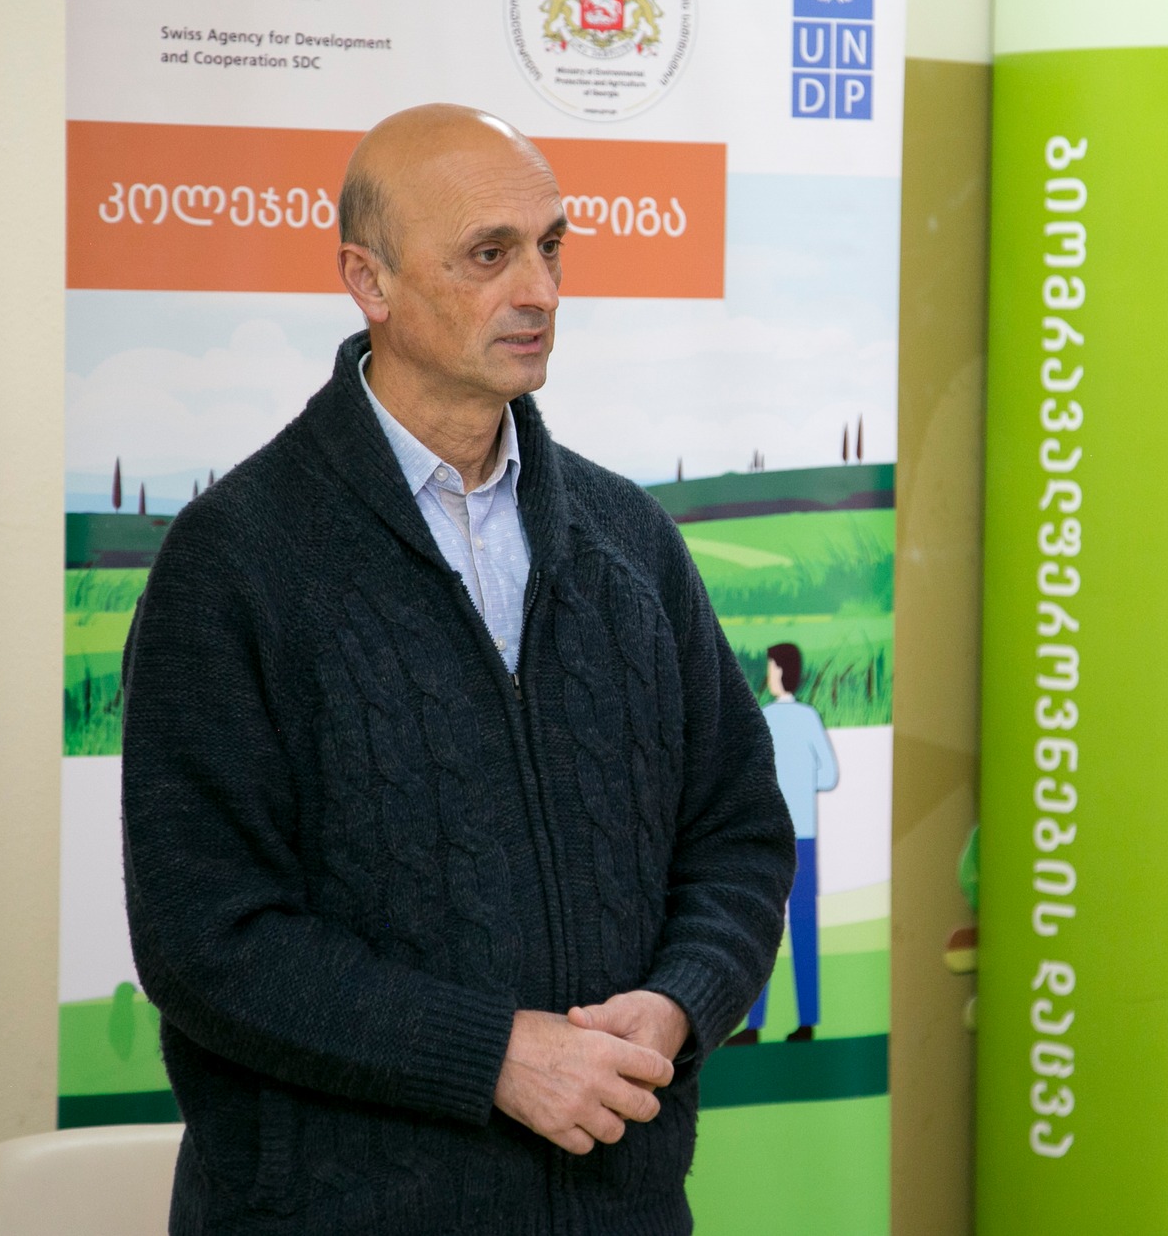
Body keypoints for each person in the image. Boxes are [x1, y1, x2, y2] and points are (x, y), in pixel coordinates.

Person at [120, 104, 796, 1235]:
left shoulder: (629, 541)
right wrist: (491, 1055)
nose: (539, 290)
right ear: (368, 281)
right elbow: (207, 940)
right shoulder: (234, 559)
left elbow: (738, 833)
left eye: (550, 246)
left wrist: (682, 1002)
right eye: (489, 254)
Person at [728, 642, 840, 1045]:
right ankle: (807, 1021)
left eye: (771, 667)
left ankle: (754, 1025)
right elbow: (829, 775)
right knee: (805, 929)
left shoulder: (765, 717)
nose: (768, 674)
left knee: (759, 927)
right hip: (804, 837)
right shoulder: (809, 718)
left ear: (779, 671)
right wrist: (802, 785)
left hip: (769, 837)